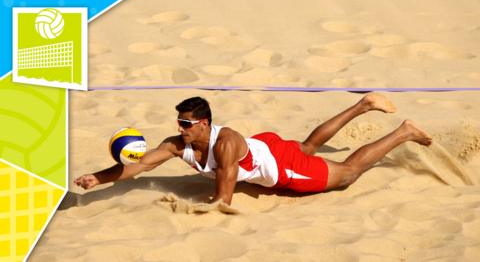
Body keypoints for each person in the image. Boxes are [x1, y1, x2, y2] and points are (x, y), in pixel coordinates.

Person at [74, 93, 432, 205]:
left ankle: (403, 132)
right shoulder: (176, 145)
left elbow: (224, 198)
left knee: (346, 176)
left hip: (279, 166)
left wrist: (203, 211)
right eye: (178, 123)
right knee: (308, 145)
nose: (179, 129)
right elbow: (138, 167)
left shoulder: (225, 143)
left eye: (185, 124)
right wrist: (97, 177)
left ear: (203, 124)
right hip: (264, 146)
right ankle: (363, 105)